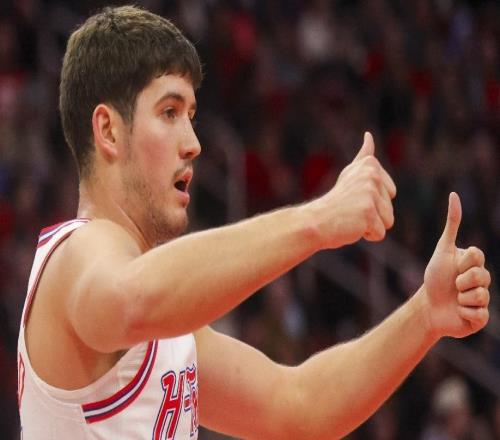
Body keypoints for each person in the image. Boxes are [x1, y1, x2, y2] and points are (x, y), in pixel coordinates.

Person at [17, 6, 491, 440]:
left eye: (191, 116)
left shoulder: (167, 323)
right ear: (108, 130)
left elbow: (299, 408)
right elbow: (130, 300)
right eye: (169, 112)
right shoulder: (78, 254)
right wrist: (319, 218)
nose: (193, 142)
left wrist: (424, 315)